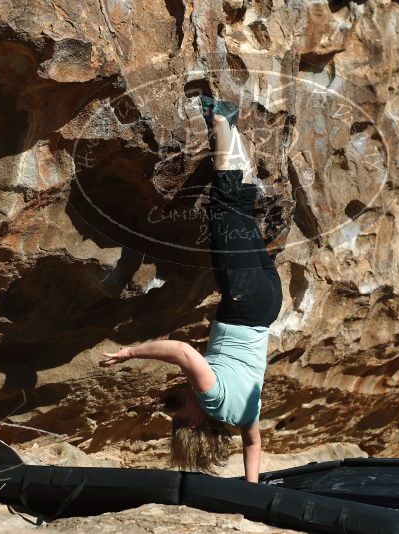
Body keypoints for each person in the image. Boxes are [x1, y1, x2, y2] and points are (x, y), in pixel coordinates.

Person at [101, 96, 283, 482]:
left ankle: (229, 127)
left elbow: (254, 444)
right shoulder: (211, 398)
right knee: (224, 204)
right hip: (244, 300)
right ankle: (220, 117)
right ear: (197, 423)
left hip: (267, 304)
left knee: (239, 206)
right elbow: (182, 352)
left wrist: (251, 491)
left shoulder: (244, 416)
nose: (181, 405)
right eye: (181, 415)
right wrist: (130, 352)